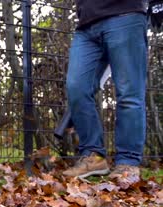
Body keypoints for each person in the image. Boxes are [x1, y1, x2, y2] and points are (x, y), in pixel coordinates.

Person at [63, 0, 162, 180]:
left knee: (129, 93)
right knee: (77, 87)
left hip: (125, 14)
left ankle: (128, 163)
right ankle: (93, 156)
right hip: (87, 22)